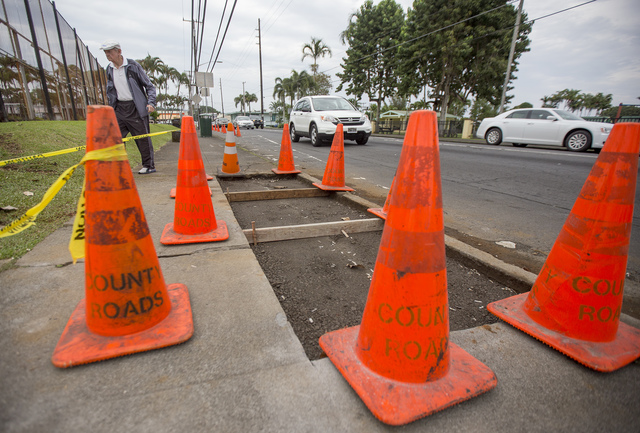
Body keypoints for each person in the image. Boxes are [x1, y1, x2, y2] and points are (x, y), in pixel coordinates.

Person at [101, 39, 157, 174]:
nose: (107, 55)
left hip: (135, 107)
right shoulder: (109, 69)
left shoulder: (133, 66)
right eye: (105, 53)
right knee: (116, 139)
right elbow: (110, 90)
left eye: (110, 52)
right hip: (119, 108)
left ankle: (149, 166)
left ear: (119, 51)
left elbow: (149, 86)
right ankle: (120, 167)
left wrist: (151, 102)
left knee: (142, 138)